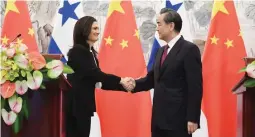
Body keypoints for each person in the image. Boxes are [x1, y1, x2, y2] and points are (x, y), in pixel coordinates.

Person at [123, 8, 203, 137]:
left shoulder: (189, 49)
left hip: (178, 120)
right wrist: (133, 83)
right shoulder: (161, 51)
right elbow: (152, 79)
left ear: (171, 26)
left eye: (159, 24)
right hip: (158, 120)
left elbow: (195, 86)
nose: (156, 28)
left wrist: (192, 118)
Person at [65, 16, 129, 137]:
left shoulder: (91, 53)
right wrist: (121, 80)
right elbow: (96, 74)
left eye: (98, 28)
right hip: (76, 109)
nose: (98, 32)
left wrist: (124, 86)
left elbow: (99, 82)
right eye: (94, 28)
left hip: (84, 108)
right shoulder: (77, 52)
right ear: (84, 29)